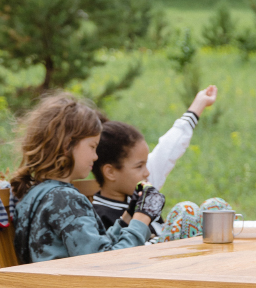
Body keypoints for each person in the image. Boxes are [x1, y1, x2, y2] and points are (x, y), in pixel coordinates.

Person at [10, 92, 256, 288]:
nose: (96, 156)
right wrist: (143, 218)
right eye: (91, 147)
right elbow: (102, 264)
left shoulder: (37, 195)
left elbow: (93, 251)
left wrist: (128, 216)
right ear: (67, 146)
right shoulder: (63, 199)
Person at [92, 86, 219, 234]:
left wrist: (199, 104)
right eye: (139, 166)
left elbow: (169, 148)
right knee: (185, 210)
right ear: (110, 172)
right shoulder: (100, 218)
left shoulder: (140, 190)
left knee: (216, 207)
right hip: (155, 256)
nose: (147, 172)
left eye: (146, 164)